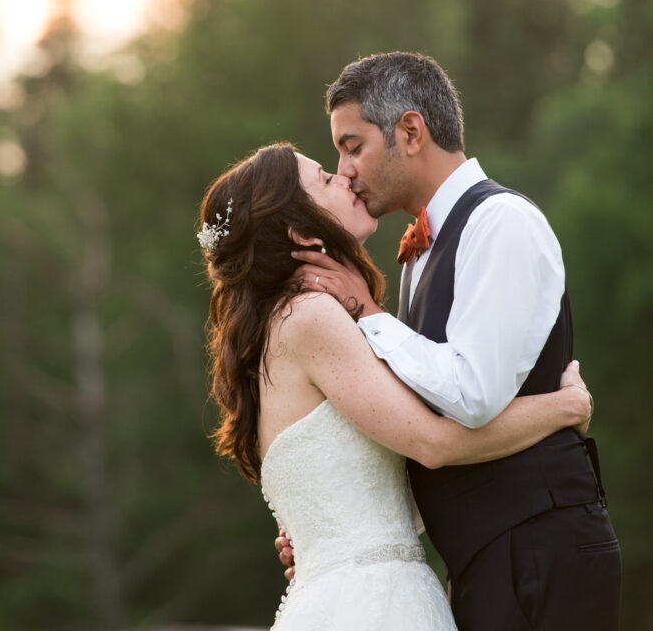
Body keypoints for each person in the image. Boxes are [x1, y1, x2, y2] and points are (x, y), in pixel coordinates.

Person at [284, 51, 621, 631]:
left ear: (410, 131)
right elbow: (422, 422)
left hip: (542, 548)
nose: (344, 170)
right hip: (485, 558)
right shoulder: (420, 256)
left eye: (352, 145)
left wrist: (367, 314)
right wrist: (334, 521)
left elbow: (471, 394)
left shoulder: (501, 223)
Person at [198, 141, 592, 631]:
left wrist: (321, 536)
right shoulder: (310, 316)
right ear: (299, 230)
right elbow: (433, 442)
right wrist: (564, 407)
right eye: (324, 178)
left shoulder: (284, 321)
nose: (343, 177)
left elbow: (376, 478)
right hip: (372, 604)